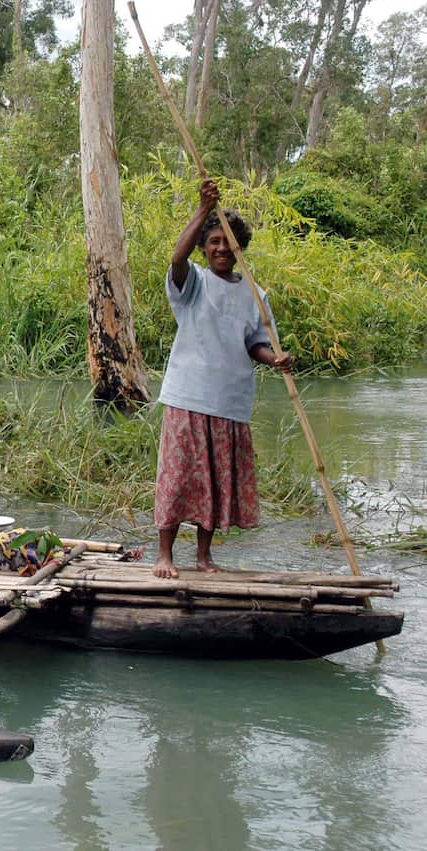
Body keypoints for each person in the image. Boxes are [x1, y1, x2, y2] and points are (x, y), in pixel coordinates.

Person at [153, 179, 293, 579]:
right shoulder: (194, 281)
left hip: (230, 401)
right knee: (179, 477)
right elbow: (177, 259)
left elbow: (256, 343)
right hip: (188, 395)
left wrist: (276, 359)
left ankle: (203, 556)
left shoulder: (254, 294)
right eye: (212, 240)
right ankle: (164, 555)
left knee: (213, 482)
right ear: (205, 244)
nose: (219, 248)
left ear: (238, 247)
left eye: (226, 242)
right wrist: (202, 209)